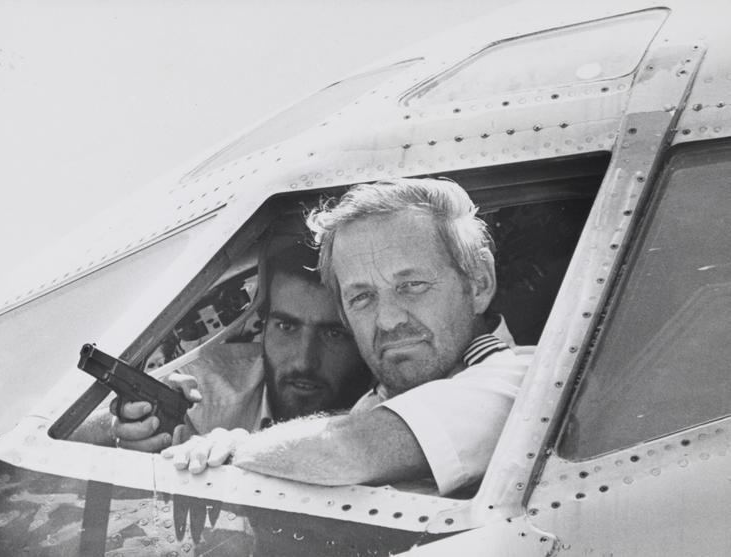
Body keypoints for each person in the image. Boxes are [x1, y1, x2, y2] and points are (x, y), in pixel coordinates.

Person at [162, 179, 530, 496]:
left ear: (479, 284)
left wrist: (236, 448)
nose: (386, 321)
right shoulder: (378, 400)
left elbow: (346, 450)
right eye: (362, 297)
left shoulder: (521, 381)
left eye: (412, 286)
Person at [71, 243, 372, 452]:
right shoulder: (207, 387)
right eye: (286, 327)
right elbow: (63, 436)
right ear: (263, 326)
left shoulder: (395, 400)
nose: (305, 360)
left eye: (333, 334)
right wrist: (121, 425)